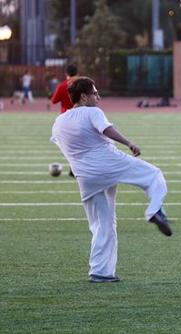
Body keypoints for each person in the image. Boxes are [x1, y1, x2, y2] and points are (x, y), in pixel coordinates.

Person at [51, 77, 172, 283]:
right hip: (109, 162)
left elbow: (64, 147)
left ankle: (100, 272)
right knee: (153, 175)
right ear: (83, 96)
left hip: (85, 177)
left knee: (102, 224)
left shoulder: (59, 121)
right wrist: (128, 142)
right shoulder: (93, 112)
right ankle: (154, 210)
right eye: (95, 93)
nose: (98, 97)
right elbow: (105, 129)